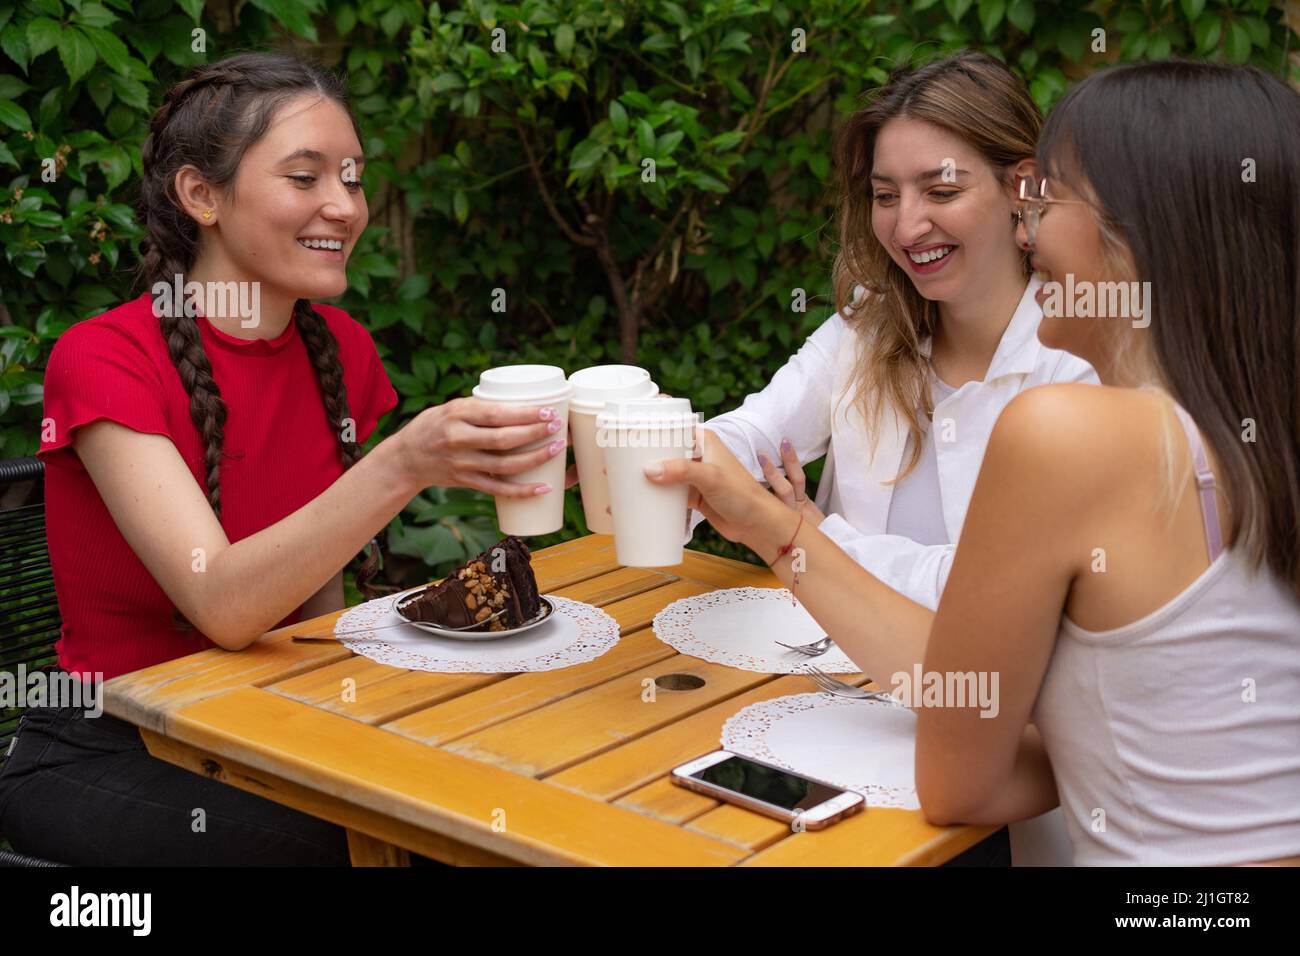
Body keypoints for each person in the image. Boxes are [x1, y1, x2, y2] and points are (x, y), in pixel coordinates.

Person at [649, 59, 1300, 865]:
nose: (1033, 231)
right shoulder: (1254, 429)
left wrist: (799, 537)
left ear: (1141, 234)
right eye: (886, 194)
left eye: (1049, 200)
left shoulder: (1069, 430)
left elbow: (967, 772)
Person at [0, 53, 570, 865]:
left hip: (266, 719)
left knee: (504, 786)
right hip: (109, 744)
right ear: (201, 196)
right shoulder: (104, 359)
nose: (343, 206)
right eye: (305, 178)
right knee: (388, 843)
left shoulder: (339, 349)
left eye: (353, 179)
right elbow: (226, 606)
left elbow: (311, 612)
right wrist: (404, 464)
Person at [694, 52, 1096, 613]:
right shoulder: (870, 323)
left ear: (1021, 190)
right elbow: (754, 434)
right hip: (829, 684)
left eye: (941, 191)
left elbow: (996, 589)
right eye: (886, 196)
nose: (906, 226)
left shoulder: (1082, 358)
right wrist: (625, 446)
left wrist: (809, 542)